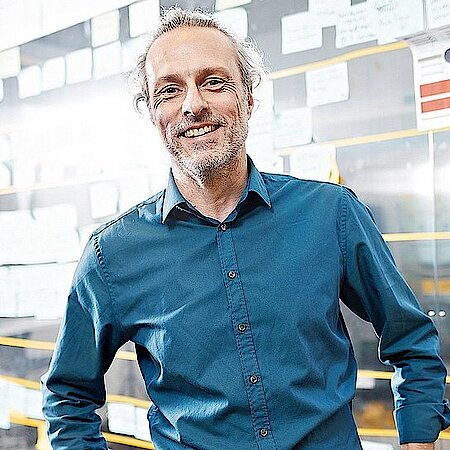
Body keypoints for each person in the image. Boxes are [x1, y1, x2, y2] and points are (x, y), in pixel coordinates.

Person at [42, 7, 450, 450]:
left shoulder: (330, 213)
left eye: (214, 82)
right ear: (152, 114)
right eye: (169, 91)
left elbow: (410, 339)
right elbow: (68, 396)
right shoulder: (112, 254)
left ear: (248, 99)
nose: (193, 105)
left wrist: (419, 437)